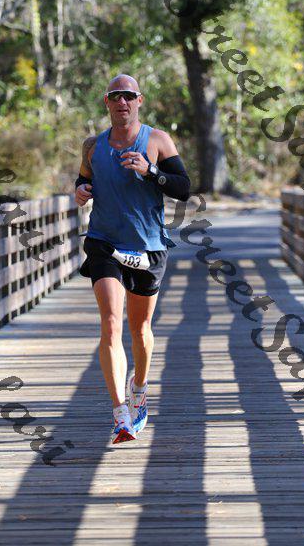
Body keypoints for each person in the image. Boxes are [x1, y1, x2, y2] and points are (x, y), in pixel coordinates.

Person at [75, 73, 190, 444]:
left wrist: (150, 170)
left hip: (147, 246)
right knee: (111, 323)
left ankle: (139, 386)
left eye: (128, 96)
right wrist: (81, 190)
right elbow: (82, 180)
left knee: (140, 330)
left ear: (139, 100)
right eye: (115, 96)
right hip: (104, 242)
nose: (121, 102)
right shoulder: (93, 146)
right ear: (106, 102)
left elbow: (183, 189)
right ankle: (120, 413)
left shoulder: (157, 140)